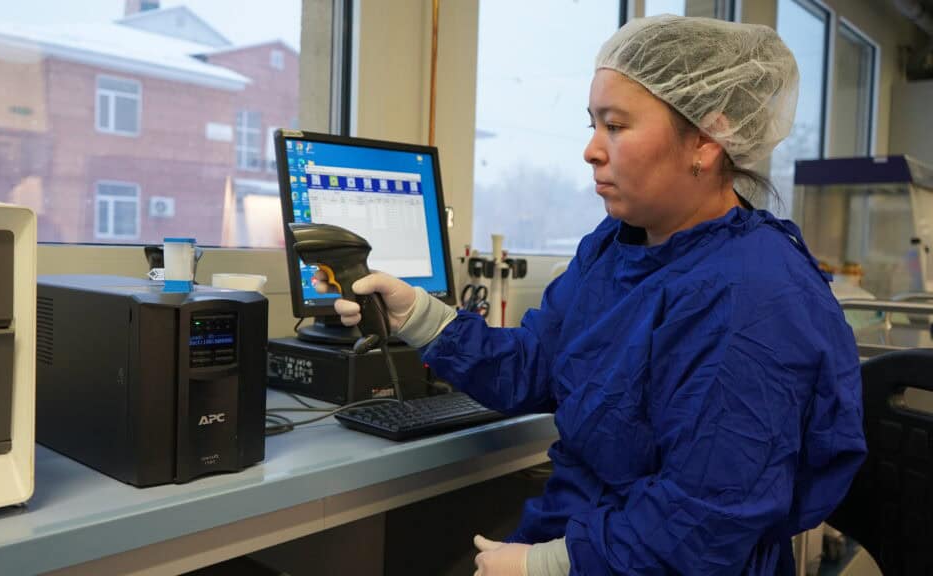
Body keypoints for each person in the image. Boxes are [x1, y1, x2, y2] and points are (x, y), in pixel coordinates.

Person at [317, 15, 866, 576]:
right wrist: (422, 317)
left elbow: (707, 517)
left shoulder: (754, 295)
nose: (590, 150)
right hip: (590, 532)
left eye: (617, 126)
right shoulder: (616, 247)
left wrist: (549, 565)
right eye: (592, 124)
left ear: (706, 138)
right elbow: (537, 364)